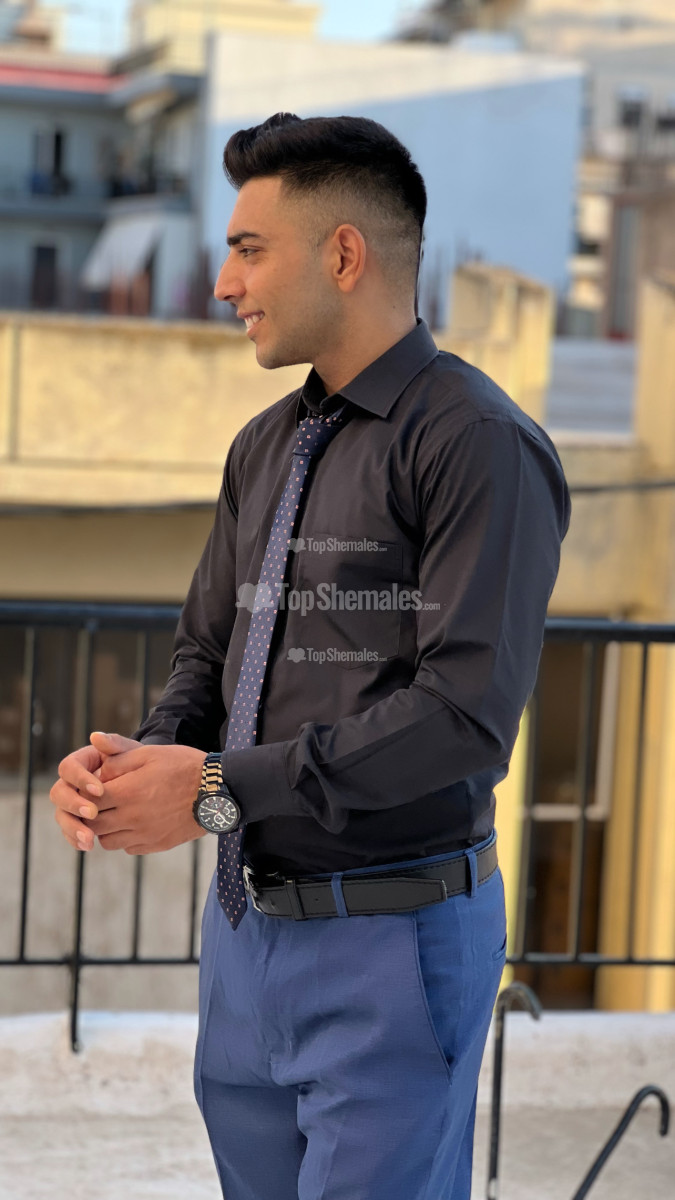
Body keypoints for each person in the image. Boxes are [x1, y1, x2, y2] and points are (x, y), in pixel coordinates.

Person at [50, 112, 571, 1199]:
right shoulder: (263, 447)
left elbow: (463, 717)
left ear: (343, 254)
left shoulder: (476, 442)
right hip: (246, 936)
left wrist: (211, 791)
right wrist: (137, 767)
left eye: (249, 250)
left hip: (393, 935)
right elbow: (208, 653)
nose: (224, 285)